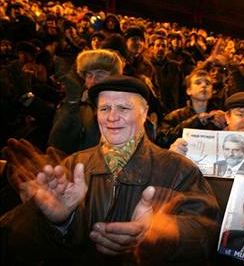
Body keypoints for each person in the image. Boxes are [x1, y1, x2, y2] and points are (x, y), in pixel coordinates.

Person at [0, 75, 220, 265]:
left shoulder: (179, 168)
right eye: (104, 108)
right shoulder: (73, 165)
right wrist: (56, 222)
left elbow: (207, 233)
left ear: (144, 113)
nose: (112, 117)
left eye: (123, 108)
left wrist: (164, 233)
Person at [48, 49, 124, 154]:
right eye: (89, 75)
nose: (93, 81)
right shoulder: (75, 103)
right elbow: (56, 145)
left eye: (99, 74)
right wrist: (72, 104)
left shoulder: (124, 108)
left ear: (114, 76)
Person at [156, 68, 225, 148]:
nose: (203, 86)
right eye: (198, 83)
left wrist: (226, 127)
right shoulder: (174, 116)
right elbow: (162, 140)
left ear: (212, 91)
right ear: (189, 90)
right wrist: (194, 121)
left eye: (207, 83)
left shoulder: (220, 117)